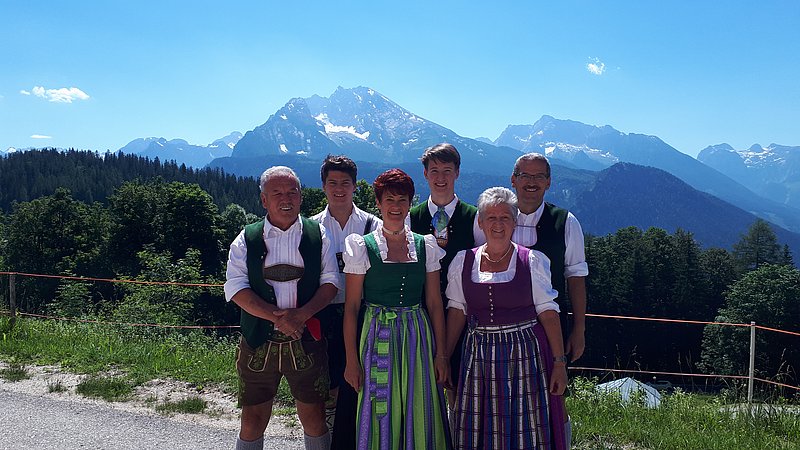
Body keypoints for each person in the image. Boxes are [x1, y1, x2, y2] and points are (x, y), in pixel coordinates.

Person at [224, 166, 340, 450]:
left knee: (313, 415)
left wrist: (300, 315)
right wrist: (279, 320)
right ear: (264, 200)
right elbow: (236, 288)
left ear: (301, 196)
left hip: (307, 339)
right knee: (252, 417)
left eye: (292, 192)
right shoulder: (246, 238)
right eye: (277, 193)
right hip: (258, 340)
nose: (285, 199)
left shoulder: (318, 234)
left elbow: (331, 283)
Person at [445, 186, 568, 450]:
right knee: (480, 423)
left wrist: (559, 362)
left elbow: (548, 312)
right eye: (491, 217)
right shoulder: (463, 261)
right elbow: (457, 312)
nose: (498, 224)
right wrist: (444, 356)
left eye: (505, 217)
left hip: (524, 355)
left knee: (525, 423)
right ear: (480, 222)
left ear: (515, 222)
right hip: (478, 355)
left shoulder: (532, 260)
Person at [342, 168, 451, 449]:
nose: (396, 207)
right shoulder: (362, 247)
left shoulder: (424, 245)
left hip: (417, 336)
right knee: (381, 407)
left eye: (402, 200)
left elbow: (435, 303)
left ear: (409, 203)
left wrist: (442, 355)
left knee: (419, 403)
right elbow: (353, 307)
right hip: (377, 334)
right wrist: (351, 361)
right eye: (389, 200)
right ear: (378, 203)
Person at [510, 153, 589, 446]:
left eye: (539, 177)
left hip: (549, 327)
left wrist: (579, 329)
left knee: (556, 393)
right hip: (502, 324)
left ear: (549, 182)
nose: (531, 183)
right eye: (525, 176)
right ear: (513, 180)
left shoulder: (566, 222)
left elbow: (576, 277)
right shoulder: (495, 217)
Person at [310, 155, 381, 446]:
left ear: (355, 186)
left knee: (362, 387)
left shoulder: (372, 225)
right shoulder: (311, 227)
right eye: (333, 183)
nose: (339, 188)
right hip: (324, 315)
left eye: (345, 183)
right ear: (324, 186)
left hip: (363, 313)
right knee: (327, 389)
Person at [407, 142, 485, 406]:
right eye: (434, 171)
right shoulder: (410, 218)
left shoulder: (474, 218)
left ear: (458, 173)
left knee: (458, 383)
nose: (441, 178)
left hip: (462, 314)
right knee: (420, 382)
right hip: (420, 312)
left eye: (447, 171)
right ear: (426, 174)